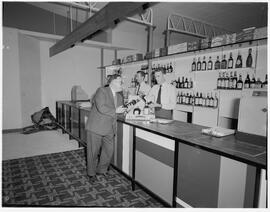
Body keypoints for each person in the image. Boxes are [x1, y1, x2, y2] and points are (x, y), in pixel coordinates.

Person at [85, 74, 126, 181]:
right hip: (96, 127)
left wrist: (128, 111)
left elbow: (118, 113)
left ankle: (102, 170)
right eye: (120, 82)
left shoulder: (120, 97)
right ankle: (91, 173)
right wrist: (116, 111)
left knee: (108, 151)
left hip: (109, 128)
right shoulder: (102, 91)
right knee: (93, 152)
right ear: (112, 83)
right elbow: (101, 107)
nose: (122, 84)